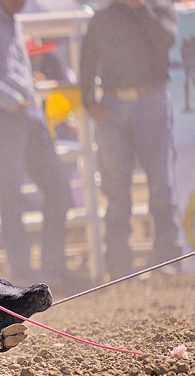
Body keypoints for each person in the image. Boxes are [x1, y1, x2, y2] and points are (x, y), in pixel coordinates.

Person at [0, 0, 75, 288]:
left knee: (55, 188)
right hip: (8, 115)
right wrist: (14, 101)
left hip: (23, 114)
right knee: (14, 194)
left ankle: (47, 266)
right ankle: (26, 269)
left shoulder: (9, 21)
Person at [80, 0, 184, 279]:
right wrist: (88, 100)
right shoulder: (104, 17)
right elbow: (88, 59)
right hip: (113, 103)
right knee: (116, 188)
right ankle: (119, 264)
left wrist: (141, 9)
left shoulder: (161, 11)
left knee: (161, 183)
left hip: (151, 99)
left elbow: (164, 42)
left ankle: (167, 260)